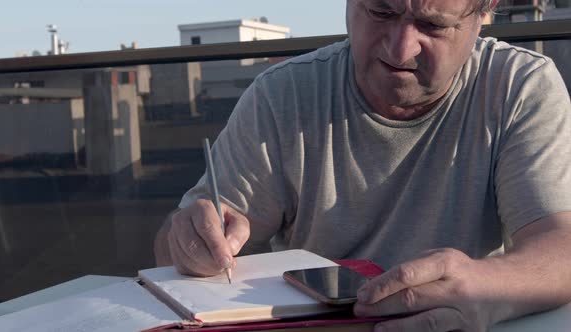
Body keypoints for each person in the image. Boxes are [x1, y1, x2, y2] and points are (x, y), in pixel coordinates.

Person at [155, 0, 571, 330]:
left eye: (434, 25)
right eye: (380, 12)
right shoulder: (282, 97)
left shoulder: (518, 87)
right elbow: (170, 249)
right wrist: (190, 244)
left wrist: (485, 289)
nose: (400, 47)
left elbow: (561, 248)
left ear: (483, 14)